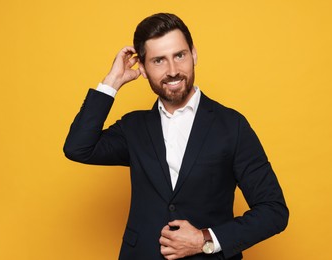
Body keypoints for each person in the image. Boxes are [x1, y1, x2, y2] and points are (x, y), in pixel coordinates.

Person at [63, 13, 288, 260]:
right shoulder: (134, 127)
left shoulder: (232, 125)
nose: (172, 71)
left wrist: (205, 239)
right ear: (144, 70)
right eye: (158, 61)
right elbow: (78, 148)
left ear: (193, 55)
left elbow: (273, 211)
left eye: (179, 56)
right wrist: (112, 81)